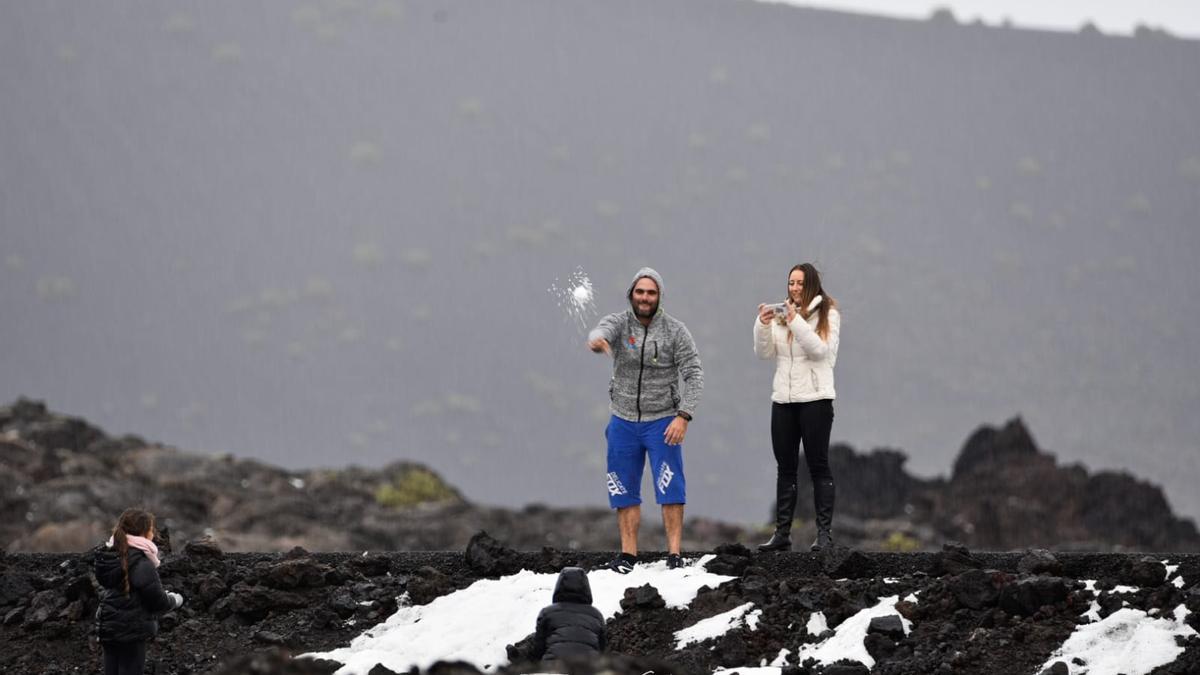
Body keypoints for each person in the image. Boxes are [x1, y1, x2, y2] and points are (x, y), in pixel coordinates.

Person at [587, 267, 703, 573]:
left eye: (651, 292)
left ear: (659, 296)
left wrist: (684, 416)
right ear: (631, 294)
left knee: (670, 486)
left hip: (663, 420)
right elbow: (600, 330)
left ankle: (674, 554)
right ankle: (628, 554)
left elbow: (694, 374)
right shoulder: (620, 322)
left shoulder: (676, 331)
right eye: (640, 292)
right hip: (623, 420)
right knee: (622, 488)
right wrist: (597, 340)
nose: (645, 298)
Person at [753, 263, 841, 552]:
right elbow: (764, 353)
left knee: (818, 466)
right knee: (785, 468)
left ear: (812, 284)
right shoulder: (783, 315)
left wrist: (795, 321)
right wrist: (762, 324)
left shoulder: (829, 314)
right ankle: (782, 534)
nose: (794, 288)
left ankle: (824, 534)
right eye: (791, 283)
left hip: (815, 400)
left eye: (800, 283)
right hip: (783, 401)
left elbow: (820, 351)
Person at [94, 508, 184, 675]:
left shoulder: (109, 556)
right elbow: (158, 602)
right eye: (151, 529)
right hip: (130, 630)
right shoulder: (141, 563)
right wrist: (175, 599)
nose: (154, 532)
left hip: (108, 626)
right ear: (143, 532)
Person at [530, 567, 606, 667]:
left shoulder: (547, 613)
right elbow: (602, 650)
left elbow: (539, 648)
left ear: (559, 586)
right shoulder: (597, 616)